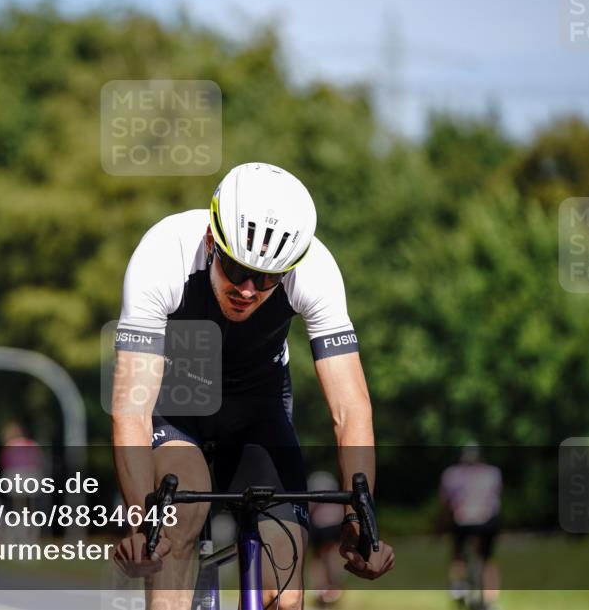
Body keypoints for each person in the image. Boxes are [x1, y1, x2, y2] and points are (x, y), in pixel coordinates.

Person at [110, 162, 394, 610]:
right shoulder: (163, 253)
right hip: (178, 402)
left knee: (284, 593)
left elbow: (351, 409)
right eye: (236, 269)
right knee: (176, 522)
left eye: (266, 279)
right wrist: (142, 524)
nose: (248, 289)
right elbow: (131, 408)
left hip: (257, 407)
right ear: (211, 242)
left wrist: (362, 517)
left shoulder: (315, 269)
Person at [440, 442, 503, 609]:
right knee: (488, 559)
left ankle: (459, 587)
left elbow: (446, 503)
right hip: (487, 521)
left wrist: (442, 524)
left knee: (458, 554)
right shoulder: (492, 472)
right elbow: (495, 498)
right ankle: (491, 599)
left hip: (462, 522)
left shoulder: (451, 474)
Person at [307, 470, 346, 605]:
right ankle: (331, 587)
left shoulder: (314, 483)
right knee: (331, 555)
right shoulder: (331, 487)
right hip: (333, 524)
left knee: (320, 557)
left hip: (320, 525)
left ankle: (324, 588)